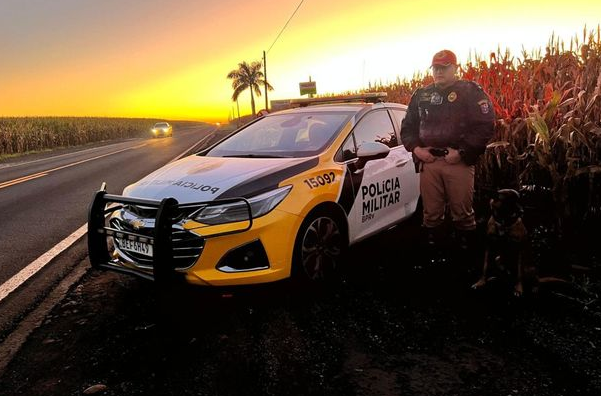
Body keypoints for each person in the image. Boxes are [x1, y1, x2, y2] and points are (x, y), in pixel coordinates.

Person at [400, 49, 496, 261]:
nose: (439, 72)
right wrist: (417, 149)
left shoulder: (470, 92)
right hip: (429, 162)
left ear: (455, 68)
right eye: (435, 68)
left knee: (462, 215)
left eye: (444, 67)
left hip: (458, 162)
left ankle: (466, 260)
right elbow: (407, 128)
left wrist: (462, 152)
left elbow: (485, 125)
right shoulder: (421, 95)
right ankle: (436, 257)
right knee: (431, 215)